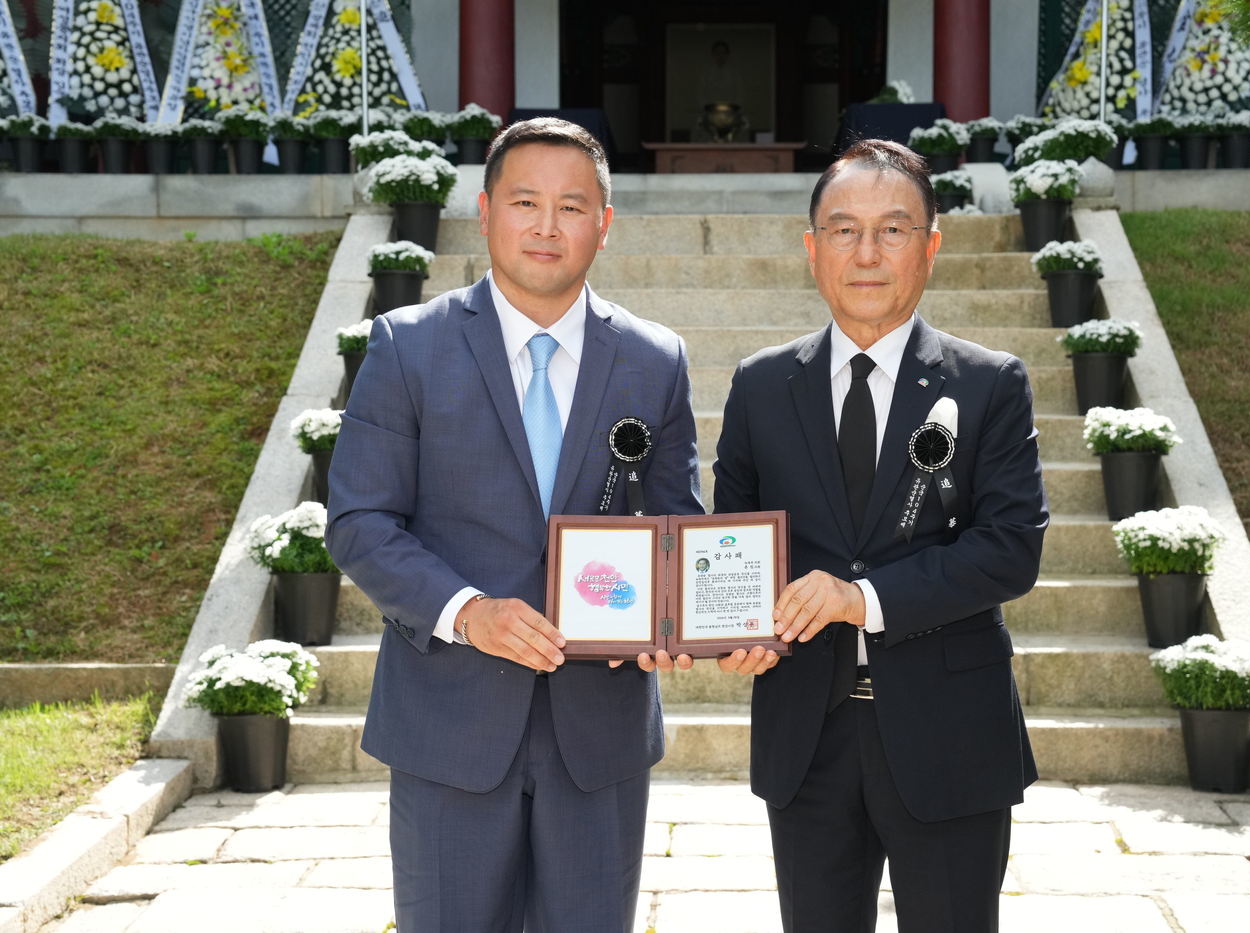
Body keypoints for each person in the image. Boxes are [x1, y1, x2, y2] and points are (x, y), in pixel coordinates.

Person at [325, 117, 704, 932]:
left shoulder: (654, 358)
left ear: (604, 224)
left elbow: (676, 524)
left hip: (597, 735)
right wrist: (469, 611)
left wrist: (687, 614)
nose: (545, 225)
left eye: (572, 206)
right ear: (485, 207)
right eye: (525, 200)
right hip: (447, 728)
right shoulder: (407, 347)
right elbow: (360, 520)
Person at [712, 138, 1047, 932]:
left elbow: (1010, 547)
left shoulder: (988, 382)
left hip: (951, 732)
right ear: (812, 248)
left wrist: (860, 598)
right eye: (843, 230)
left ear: (930, 246)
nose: (866, 252)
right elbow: (731, 542)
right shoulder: (760, 386)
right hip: (806, 734)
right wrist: (731, 628)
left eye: (892, 229)